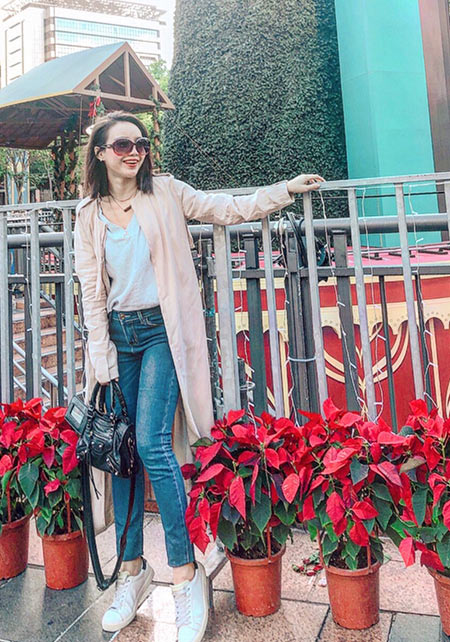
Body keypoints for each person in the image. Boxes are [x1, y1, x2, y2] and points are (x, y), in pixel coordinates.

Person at [74, 110, 324, 642]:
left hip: (162, 334)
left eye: (141, 143)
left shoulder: (166, 192)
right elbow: (91, 293)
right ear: (100, 154)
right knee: (123, 453)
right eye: (122, 145)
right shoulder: (89, 214)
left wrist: (283, 190)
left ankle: (186, 577)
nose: (134, 152)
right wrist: (101, 357)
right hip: (119, 339)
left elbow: (225, 208)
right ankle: (132, 572)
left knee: (152, 444)